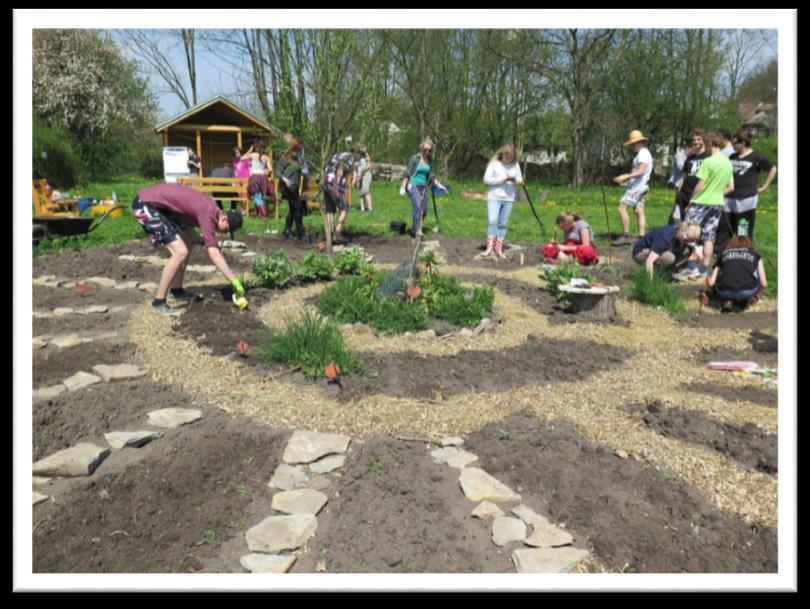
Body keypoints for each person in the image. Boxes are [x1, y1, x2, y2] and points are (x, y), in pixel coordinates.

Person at [131, 182, 246, 316]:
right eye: (226, 230)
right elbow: (214, 253)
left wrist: (196, 238)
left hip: (159, 206)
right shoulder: (208, 213)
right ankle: (159, 302)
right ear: (224, 219)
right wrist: (233, 279)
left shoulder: (212, 209)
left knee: (188, 242)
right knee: (180, 252)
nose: (224, 233)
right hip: (145, 204)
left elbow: (186, 216)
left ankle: (177, 291)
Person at [676, 132, 735, 281]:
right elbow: (731, 187)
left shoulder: (708, 162)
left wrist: (691, 200)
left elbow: (700, 185)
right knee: (709, 237)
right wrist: (717, 193)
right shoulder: (728, 163)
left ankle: (691, 268)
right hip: (717, 204)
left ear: (709, 144)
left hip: (702, 202)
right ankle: (703, 270)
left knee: (689, 233)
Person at [724, 130, 777, 241]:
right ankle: (726, 253)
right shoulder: (732, 157)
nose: (733, 145)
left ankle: (744, 252)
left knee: (743, 229)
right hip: (729, 198)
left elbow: (773, 169)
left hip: (746, 199)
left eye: (735, 143)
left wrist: (764, 186)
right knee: (726, 228)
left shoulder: (756, 157)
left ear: (743, 143)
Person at [706, 221, 767, 312]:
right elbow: (764, 283)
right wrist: (757, 293)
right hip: (747, 290)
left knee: (721, 279)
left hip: (724, 291)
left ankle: (726, 300)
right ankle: (746, 300)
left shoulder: (723, 254)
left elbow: (711, 283)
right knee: (754, 277)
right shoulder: (755, 255)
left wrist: (708, 283)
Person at [399, 137, 449, 237]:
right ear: (421, 149)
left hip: (423, 187)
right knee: (418, 206)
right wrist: (402, 187)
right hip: (412, 185)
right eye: (425, 150)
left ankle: (415, 228)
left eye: (429, 150)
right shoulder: (415, 158)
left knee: (424, 210)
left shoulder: (430, 161)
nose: (427, 152)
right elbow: (407, 173)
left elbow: (432, 176)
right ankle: (418, 231)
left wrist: (440, 186)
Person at [480, 144, 523, 259]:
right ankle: (489, 247)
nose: (507, 159)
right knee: (493, 221)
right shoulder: (494, 164)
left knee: (502, 224)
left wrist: (516, 180)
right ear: (502, 154)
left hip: (508, 198)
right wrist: (501, 179)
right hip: (494, 196)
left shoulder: (515, 165)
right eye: (506, 156)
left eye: (510, 157)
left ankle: (498, 248)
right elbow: (486, 179)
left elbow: (520, 179)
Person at [612, 130, 653, 245]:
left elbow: (641, 171)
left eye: (633, 143)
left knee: (621, 208)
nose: (631, 146)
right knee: (638, 210)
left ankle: (626, 235)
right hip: (640, 186)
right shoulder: (643, 153)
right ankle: (641, 236)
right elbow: (640, 174)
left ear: (639, 142)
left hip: (638, 187)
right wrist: (628, 182)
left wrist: (625, 176)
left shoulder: (643, 154)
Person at [632, 221, 702, 278]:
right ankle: (656, 276)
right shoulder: (665, 238)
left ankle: (666, 274)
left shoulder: (680, 235)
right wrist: (649, 282)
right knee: (669, 258)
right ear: (681, 230)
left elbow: (692, 245)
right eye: (686, 239)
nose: (689, 243)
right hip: (640, 252)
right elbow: (649, 260)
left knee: (687, 250)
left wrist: (695, 248)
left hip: (658, 250)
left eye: (692, 241)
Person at [670, 129, 711, 225]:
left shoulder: (708, 157)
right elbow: (684, 176)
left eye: (699, 139)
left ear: (703, 140)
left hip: (699, 195)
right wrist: (679, 191)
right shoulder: (690, 158)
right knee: (684, 222)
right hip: (684, 194)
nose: (696, 142)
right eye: (694, 140)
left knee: (696, 224)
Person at [276, 137, 306, 240]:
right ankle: (300, 233)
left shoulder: (298, 159)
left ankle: (287, 231)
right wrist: (285, 180)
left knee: (293, 209)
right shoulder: (286, 157)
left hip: (295, 187)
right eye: (298, 149)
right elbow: (278, 172)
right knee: (298, 207)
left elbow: (302, 171)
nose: (299, 151)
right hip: (287, 187)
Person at [324, 152, 353, 241]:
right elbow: (339, 173)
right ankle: (337, 232)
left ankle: (330, 233)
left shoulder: (332, 158)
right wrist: (336, 189)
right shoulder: (345, 160)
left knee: (330, 209)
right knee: (345, 208)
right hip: (334, 184)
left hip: (326, 184)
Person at [241, 141, 273, 222]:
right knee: (259, 196)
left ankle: (264, 216)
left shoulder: (252, 155)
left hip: (255, 177)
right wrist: (264, 172)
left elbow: (241, 158)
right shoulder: (266, 157)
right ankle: (257, 213)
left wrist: (249, 150)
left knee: (257, 197)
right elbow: (270, 170)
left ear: (255, 148)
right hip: (263, 178)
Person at [354, 145, 374, 214]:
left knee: (366, 192)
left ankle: (370, 209)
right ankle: (362, 209)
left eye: (358, 153)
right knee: (360, 193)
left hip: (366, 176)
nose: (356, 155)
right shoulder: (356, 161)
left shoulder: (365, 158)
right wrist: (355, 179)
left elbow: (369, 166)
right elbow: (355, 170)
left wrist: (362, 172)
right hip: (359, 177)